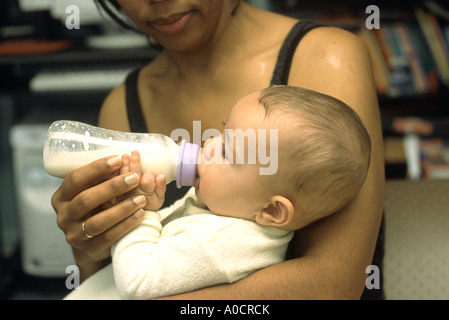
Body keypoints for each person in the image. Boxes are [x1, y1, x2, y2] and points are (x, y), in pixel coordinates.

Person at [52, 0, 385, 299]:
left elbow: (331, 287)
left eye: (229, 150)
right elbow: (103, 284)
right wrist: (89, 247)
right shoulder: (121, 106)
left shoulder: (326, 57)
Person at [64, 85, 371, 299]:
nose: (208, 145)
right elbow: (164, 239)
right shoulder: (224, 207)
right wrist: (148, 207)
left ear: (272, 211)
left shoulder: (223, 244)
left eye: (227, 152)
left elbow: (137, 283)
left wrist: (140, 214)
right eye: (223, 132)